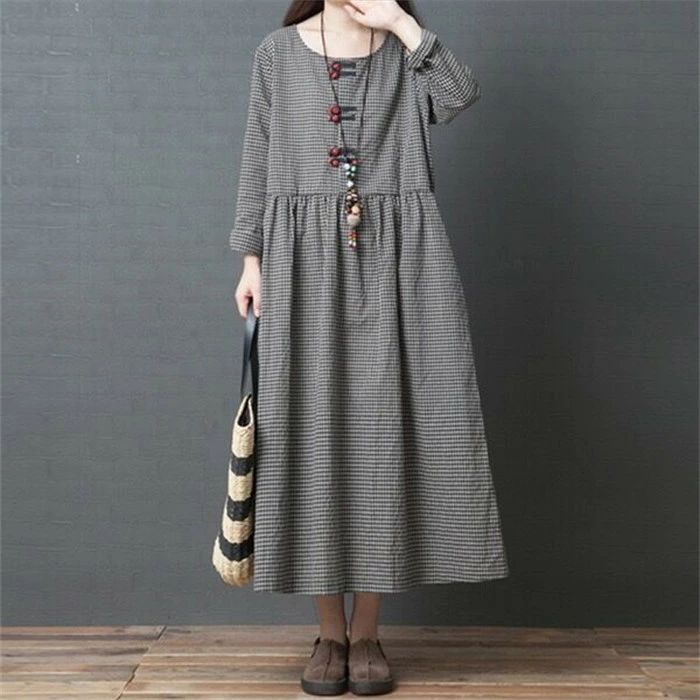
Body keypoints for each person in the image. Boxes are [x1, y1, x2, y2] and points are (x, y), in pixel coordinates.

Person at [227, 0, 510, 695]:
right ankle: (329, 633)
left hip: (401, 261)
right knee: (311, 434)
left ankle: (367, 634)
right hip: (300, 263)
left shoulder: (407, 53)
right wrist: (251, 259)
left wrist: (403, 25)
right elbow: (258, 153)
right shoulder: (276, 53)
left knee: (388, 436)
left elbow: (460, 94)